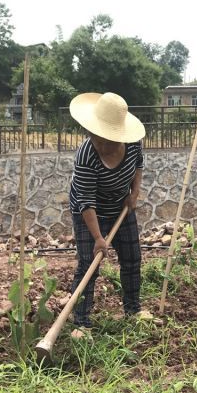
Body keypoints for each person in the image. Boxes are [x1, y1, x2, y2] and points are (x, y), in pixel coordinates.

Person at [68, 91, 146, 329]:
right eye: (96, 138)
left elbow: (139, 166)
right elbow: (85, 201)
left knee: (132, 259)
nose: (100, 145)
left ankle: (133, 310)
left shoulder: (133, 144)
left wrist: (134, 194)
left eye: (107, 140)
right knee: (88, 264)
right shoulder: (86, 156)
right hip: (88, 212)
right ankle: (81, 321)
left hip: (120, 207)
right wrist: (99, 238)